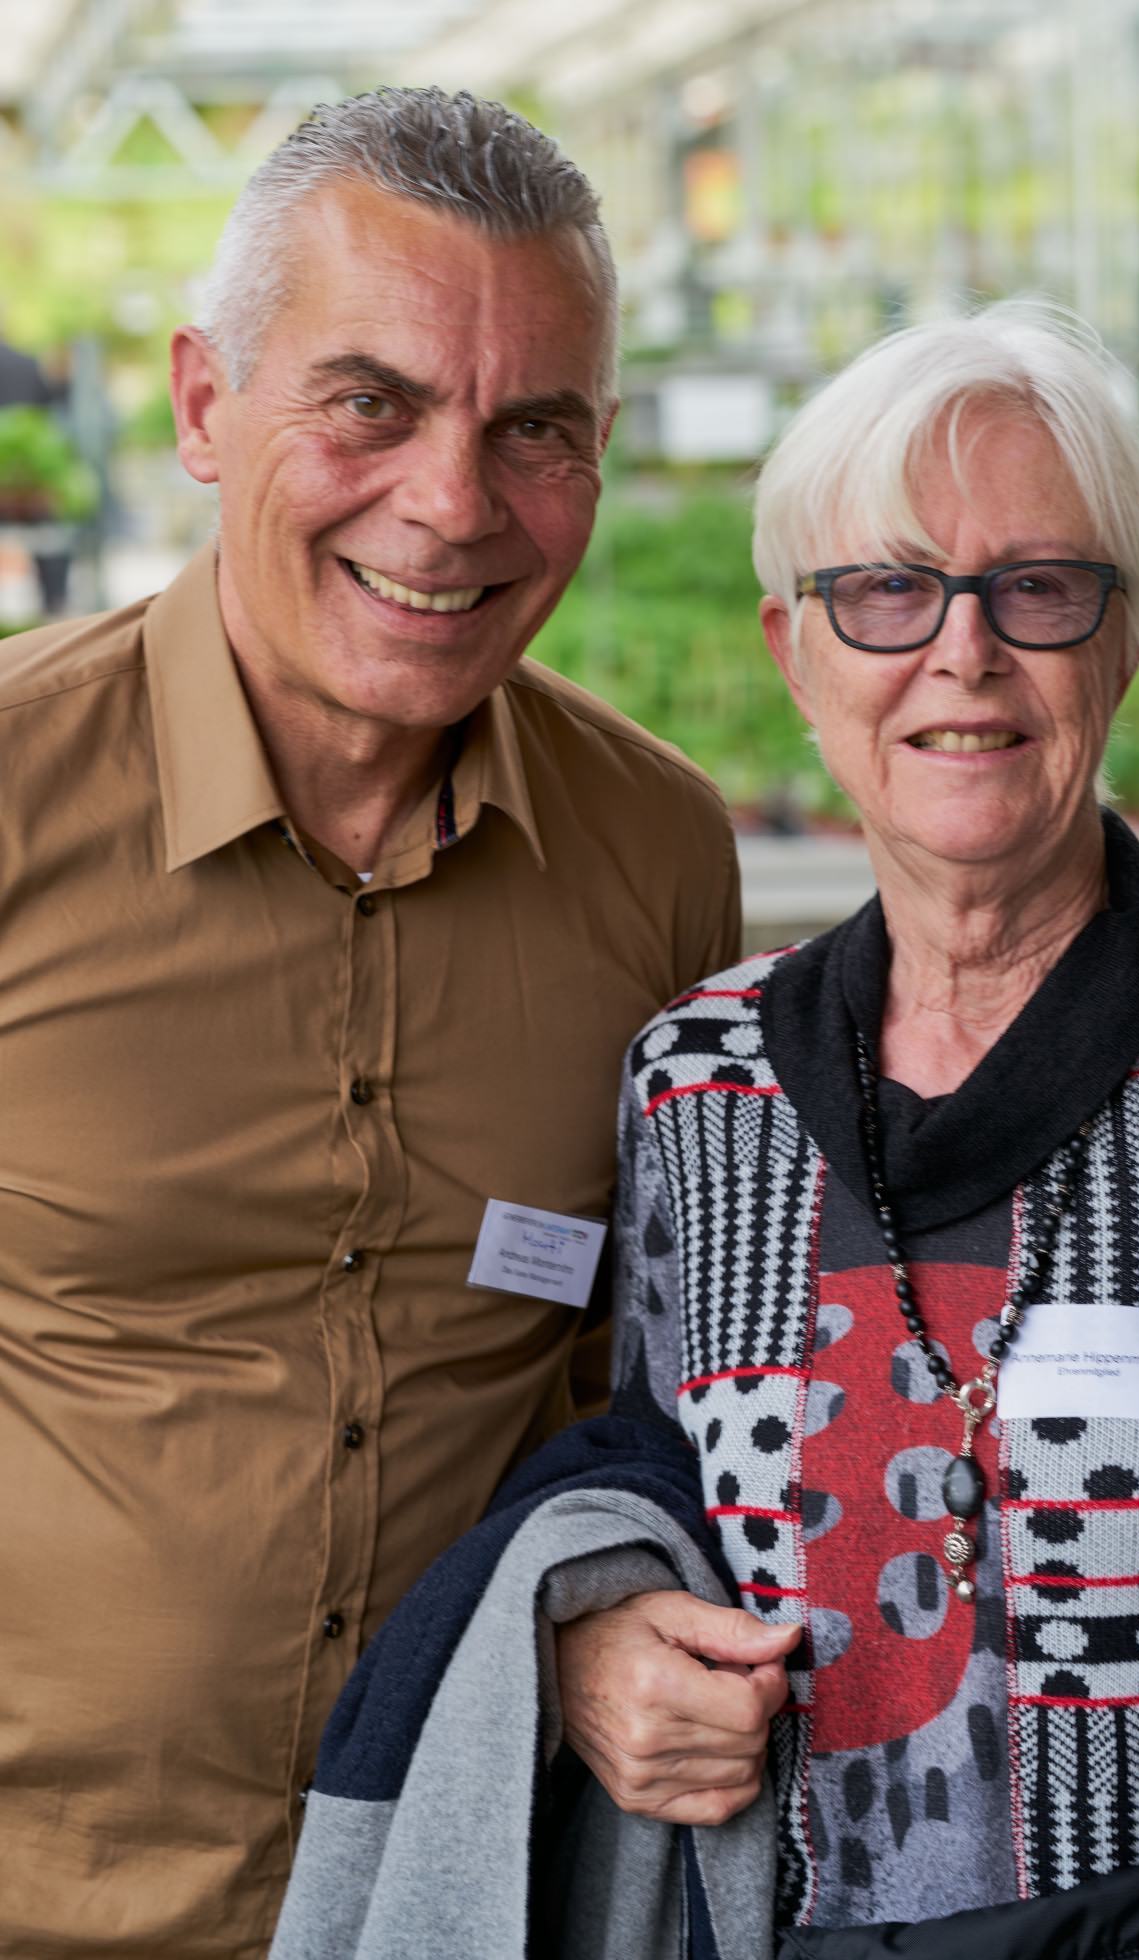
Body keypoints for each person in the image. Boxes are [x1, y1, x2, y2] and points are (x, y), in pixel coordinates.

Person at [0, 88, 742, 1957]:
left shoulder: (652, 852)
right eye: (370, 402)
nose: (452, 502)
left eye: (534, 430)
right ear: (199, 405)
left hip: (454, 1888)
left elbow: (637, 1385)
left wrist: (593, 1615)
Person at [573, 302, 1139, 1948]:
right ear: (794, 650)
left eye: (1035, 588)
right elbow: (637, 1490)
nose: (959, 653)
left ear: (1125, 636)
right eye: (886, 591)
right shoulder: (698, 1089)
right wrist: (596, 1637)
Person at [0, 328, 74, 613]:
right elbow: (49, 412)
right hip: (30, 470)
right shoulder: (28, 364)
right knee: (48, 533)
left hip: (19, 462)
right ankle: (55, 601)